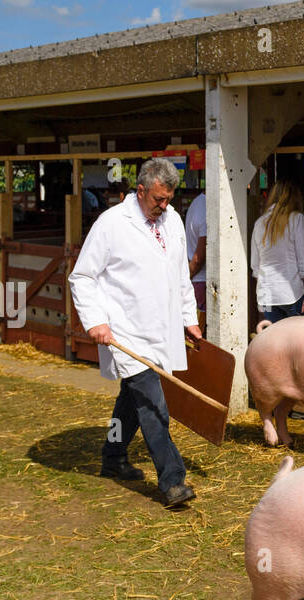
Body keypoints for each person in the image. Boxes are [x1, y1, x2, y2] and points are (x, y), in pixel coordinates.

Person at [69, 158, 203, 509]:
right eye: (158, 199)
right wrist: (95, 320)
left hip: (162, 327)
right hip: (126, 330)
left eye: (169, 199)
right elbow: (82, 277)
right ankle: (173, 481)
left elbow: (180, 276)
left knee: (130, 401)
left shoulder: (172, 220)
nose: (164, 205)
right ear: (140, 190)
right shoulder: (112, 224)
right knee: (151, 402)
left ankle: (113, 457)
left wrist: (189, 318)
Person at [250, 179, 304, 324]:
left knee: (276, 342)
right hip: (290, 294)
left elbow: (255, 266)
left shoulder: (259, 222)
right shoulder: (296, 219)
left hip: (265, 297)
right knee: (302, 340)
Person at [183, 186, 206, 335]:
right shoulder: (207, 210)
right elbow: (199, 256)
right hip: (201, 281)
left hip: (196, 280)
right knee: (201, 337)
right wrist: (186, 278)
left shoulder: (197, 203)